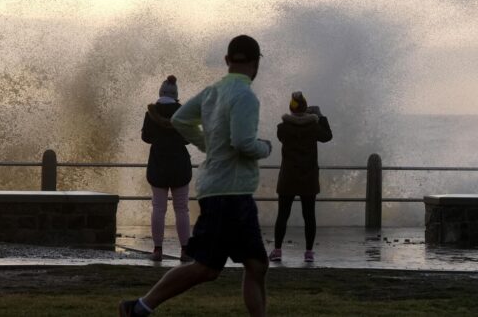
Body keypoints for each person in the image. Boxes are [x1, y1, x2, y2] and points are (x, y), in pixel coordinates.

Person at [119, 35, 272, 317]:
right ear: (255, 62)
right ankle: (139, 307)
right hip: (231, 194)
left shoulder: (212, 91)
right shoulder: (246, 96)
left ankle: (140, 307)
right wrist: (266, 147)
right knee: (207, 268)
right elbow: (242, 143)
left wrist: (207, 144)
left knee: (254, 265)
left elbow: (180, 120)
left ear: (227, 61)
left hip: (220, 191)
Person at [268, 91, 332, 263]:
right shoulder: (314, 127)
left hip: (288, 177)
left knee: (283, 215)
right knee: (309, 216)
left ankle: (278, 250)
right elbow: (328, 136)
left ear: (291, 108)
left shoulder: (282, 129)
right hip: (309, 178)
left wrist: (298, 117)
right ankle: (309, 252)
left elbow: (288, 126)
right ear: (306, 109)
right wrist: (319, 116)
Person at [141, 75, 193, 262]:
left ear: (160, 93)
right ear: (176, 94)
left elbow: (146, 138)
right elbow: (188, 138)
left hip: (158, 164)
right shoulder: (183, 112)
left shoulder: (151, 113)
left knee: (158, 208)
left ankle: (157, 250)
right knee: (181, 209)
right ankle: (185, 250)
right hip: (179, 165)